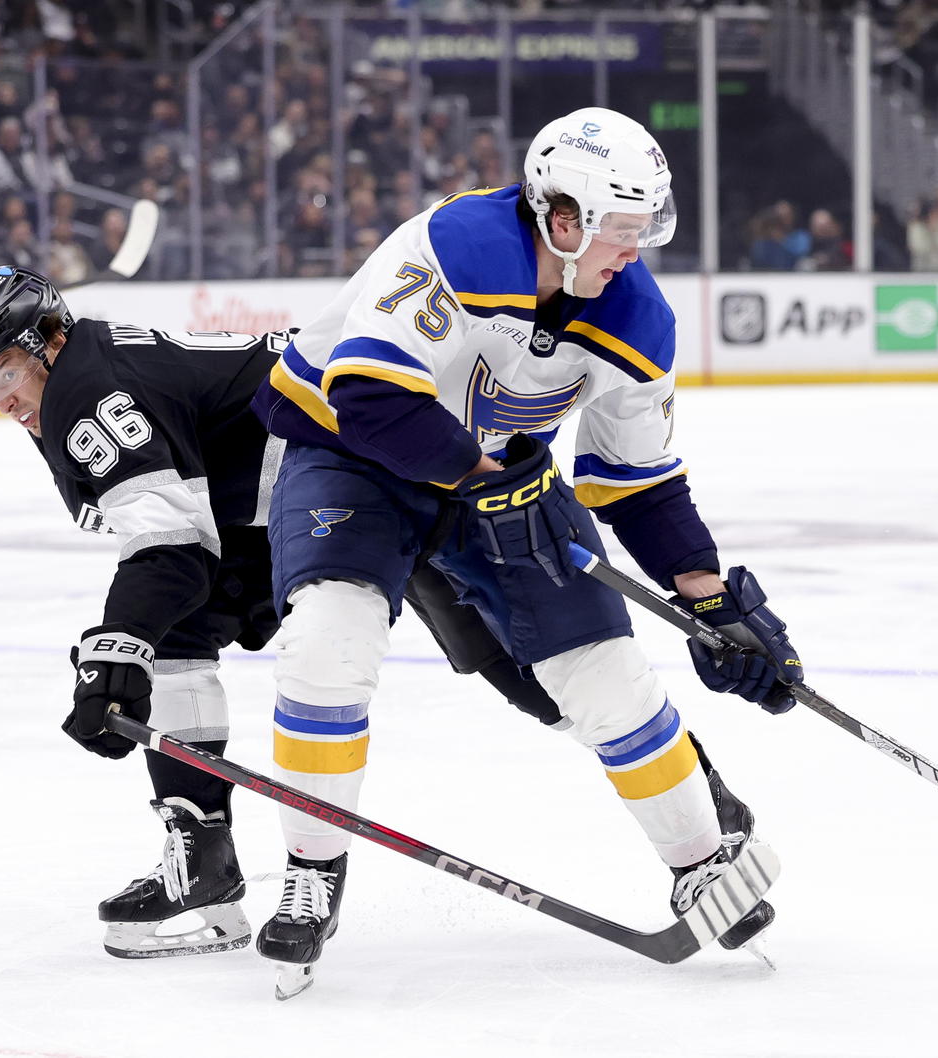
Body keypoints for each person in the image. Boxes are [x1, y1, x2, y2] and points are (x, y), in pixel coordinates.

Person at [251, 106, 802, 994]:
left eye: (642, 231)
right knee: (328, 643)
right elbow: (369, 398)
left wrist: (713, 599)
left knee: (605, 671)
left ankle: (702, 859)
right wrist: (480, 475)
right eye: (621, 231)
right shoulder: (453, 243)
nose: (634, 251)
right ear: (564, 217)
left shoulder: (637, 315)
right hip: (352, 458)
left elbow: (638, 481)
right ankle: (314, 873)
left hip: (499, 478)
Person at [0, 265, 572, 961]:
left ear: (49, 341)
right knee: (175, 631)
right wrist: (130, 640)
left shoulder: (88, 390)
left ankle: (680, 786)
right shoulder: (82, 372)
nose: (0, 399)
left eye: (4, 373)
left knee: (522, 662)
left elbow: (172, 548)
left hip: (372, 463)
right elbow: (185, 538)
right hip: (291, 493)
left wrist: (117, 643)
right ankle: (202, 856)